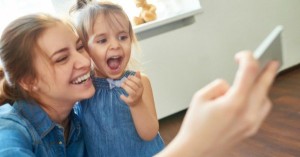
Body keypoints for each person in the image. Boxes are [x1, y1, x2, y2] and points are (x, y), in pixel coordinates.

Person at [0, 13, 279, 157]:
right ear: (28, 81)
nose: (84, 62)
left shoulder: (74, 120)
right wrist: (194, 145)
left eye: (79, 48)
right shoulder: (8, 133)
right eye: (62, 58)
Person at [70, 1, 164, 156]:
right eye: (102, 40)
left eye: (122, 37)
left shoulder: (140, 83)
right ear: (85, 49)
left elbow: (150, 133)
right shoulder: (85, 87)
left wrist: (137, 103)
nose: (115, 45)